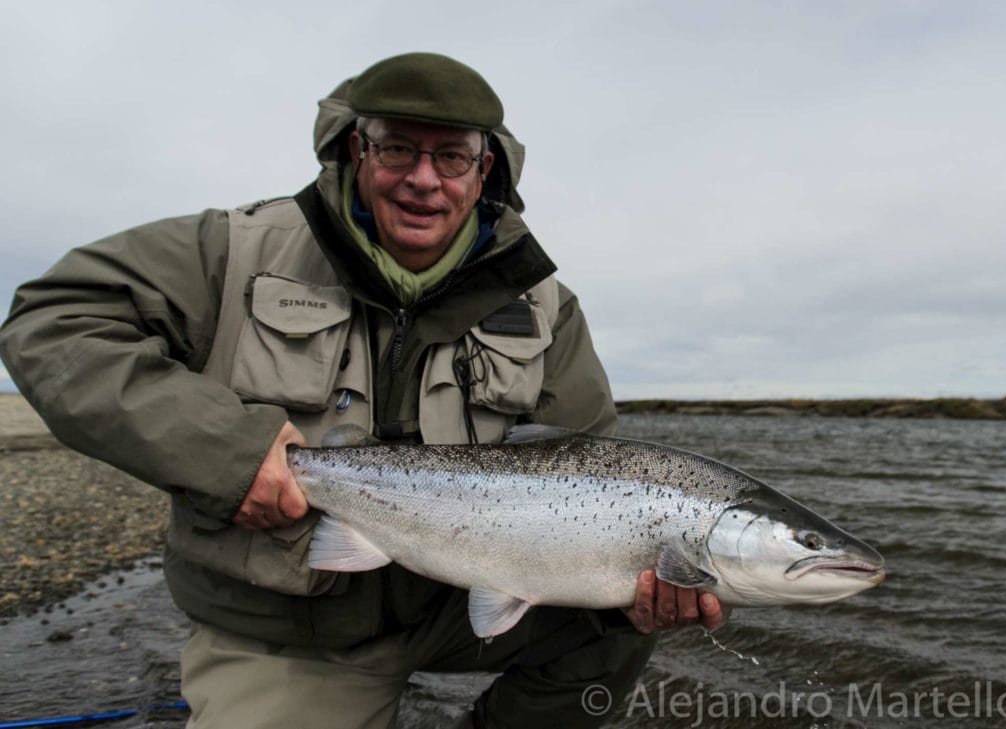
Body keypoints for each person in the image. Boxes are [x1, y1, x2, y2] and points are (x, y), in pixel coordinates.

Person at [0, 53, 725, 728]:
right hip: (287, 627)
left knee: (615, 630)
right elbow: (53, 322)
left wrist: (641, 588)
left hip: (448, 605)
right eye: (398, 148)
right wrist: (224, 453)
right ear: (357, 151)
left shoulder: (544, 306)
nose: (423, 178)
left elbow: (585, 461)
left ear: (485, 172)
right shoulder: (235, 249)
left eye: (451, 156)